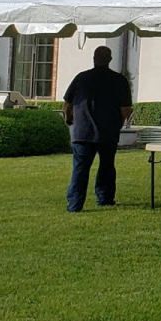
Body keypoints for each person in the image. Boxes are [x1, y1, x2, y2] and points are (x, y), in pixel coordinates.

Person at [62, 45, 133, 211]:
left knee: (80, 169)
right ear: (110, 60)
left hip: (82, 132)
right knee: (107, 166)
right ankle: (105, 198)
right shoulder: (119, 80)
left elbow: (67, 104)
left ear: (94, 59)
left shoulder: (81, 78)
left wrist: (69, 119)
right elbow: (126, 109)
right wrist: (119, 123)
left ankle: (74, 204)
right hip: (108, 131)